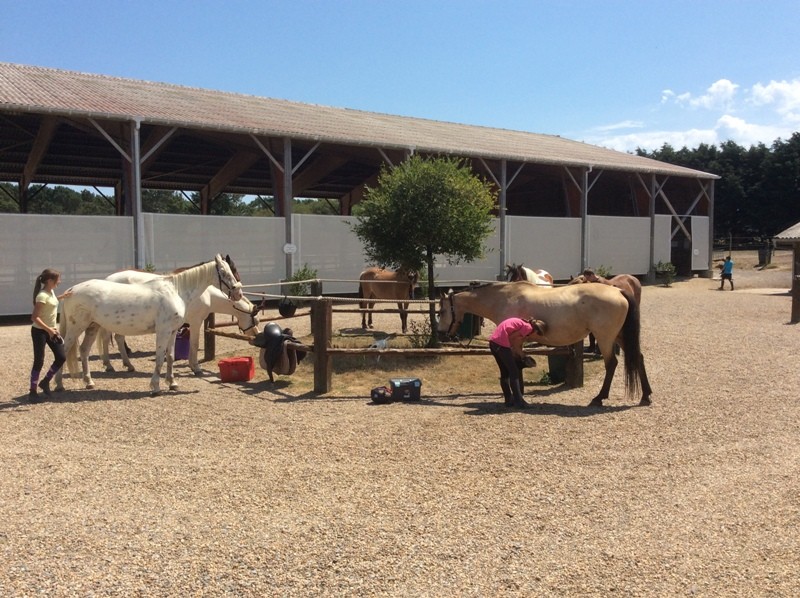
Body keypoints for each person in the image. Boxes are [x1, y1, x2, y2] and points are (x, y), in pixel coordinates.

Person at [29, 268, 71, 402]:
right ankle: (32, 391)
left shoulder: (50, 292)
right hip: (39, 332)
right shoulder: (42, 296)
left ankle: (45, 381)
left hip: (50, 330)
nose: (60, 281)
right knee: (39, 361)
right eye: (58, 279)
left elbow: (51, 302)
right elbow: (34, 317)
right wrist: (49, 330)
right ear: (49, 280)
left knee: (61, 357)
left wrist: (62, 297)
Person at [489, 316, 546, 409]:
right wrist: (522, 356)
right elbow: (512, 340)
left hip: (494, 343)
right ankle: (519, 401)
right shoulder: (528, 328)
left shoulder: (523, 323)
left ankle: (508, 400)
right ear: (536, 331)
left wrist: (521, 355)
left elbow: (514, 342)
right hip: (501, 344)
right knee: (514, 372)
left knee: (505, 373)